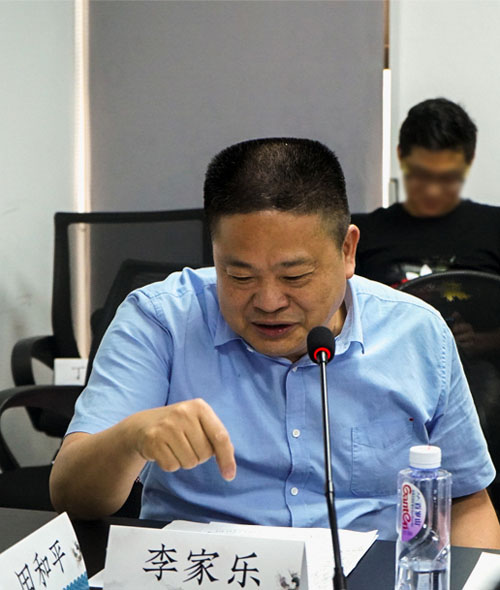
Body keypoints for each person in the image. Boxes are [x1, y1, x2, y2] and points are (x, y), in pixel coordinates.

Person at [50, 137, 500, 547]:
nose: (268, 302)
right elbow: (70, 495)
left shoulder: (417, 333)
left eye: (295, 276)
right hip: (204, 571)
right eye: (239, 275)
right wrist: (130, 438)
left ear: (347, 251)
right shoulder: (161, 320)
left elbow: (467, 503)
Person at [352, 98, 500, 288]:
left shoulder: (494, 230)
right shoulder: (359, 236)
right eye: (421, 174)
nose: (433, 190)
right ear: (400, 155)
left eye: (448, 177)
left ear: (469, 161)